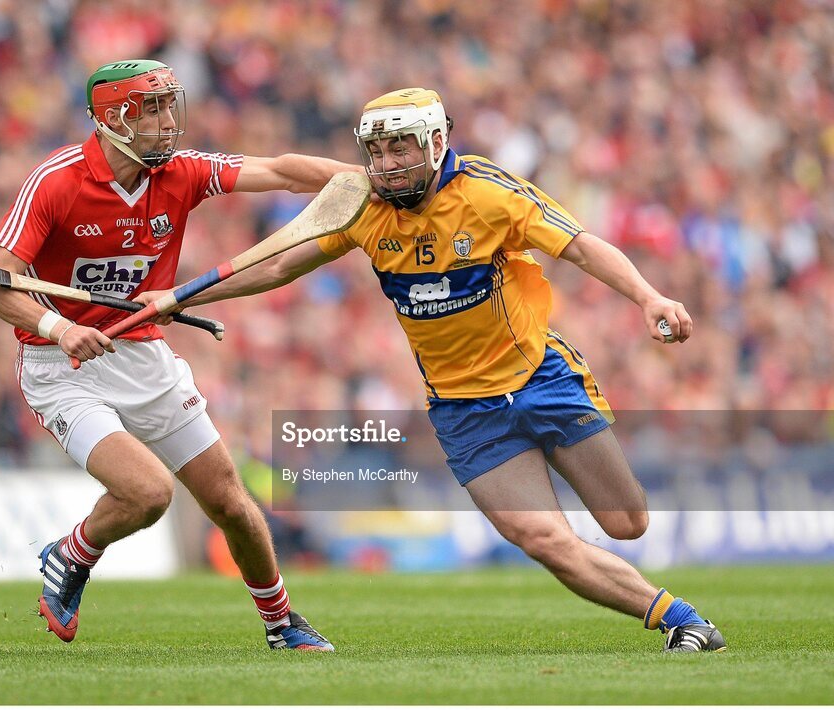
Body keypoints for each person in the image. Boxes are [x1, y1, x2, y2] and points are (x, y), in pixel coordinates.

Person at [164, 87, 726, 653]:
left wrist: (648, 297)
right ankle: (681, 620)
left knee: (627, 521)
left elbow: (580, 246)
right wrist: (181, 298)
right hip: (464, 410)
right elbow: (282, 263)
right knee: (542, 538)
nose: (386, 164)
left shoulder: (488, 192)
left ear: (436, 142)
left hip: (541, 377)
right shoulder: (362, 209)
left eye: (399, 148)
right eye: (376, 152)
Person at [0, 59, 360, 650]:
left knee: (231, 501)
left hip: (143, 354)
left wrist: (368, 182)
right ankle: (72, 553)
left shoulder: (182, 171)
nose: (165, 121)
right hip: (63, 368)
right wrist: (58, 329)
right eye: (148, 109)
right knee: (149, 493)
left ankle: (282, 624)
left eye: (166, 106)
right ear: (111, 119)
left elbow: (282, 171)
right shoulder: (56, 180)